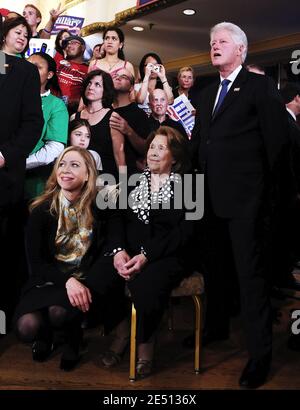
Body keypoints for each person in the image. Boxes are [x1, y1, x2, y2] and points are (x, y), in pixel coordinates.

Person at [191, 22, 290, 388]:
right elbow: (201, 143)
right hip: (209, 202)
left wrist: (270, 201)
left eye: (221, 42)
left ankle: (260, 355)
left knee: (251, 280)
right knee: (215, 272)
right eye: (211, 41)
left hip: (248, 203)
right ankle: (216, 329)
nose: (214, 46)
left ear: (241, 51)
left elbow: (277, 147)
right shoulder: (205, 92)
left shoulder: (260, 87)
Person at [14, 146, 125, 371]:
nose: (65, 170)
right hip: (48, 281)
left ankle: (73, 341)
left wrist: (119, 251)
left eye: (75, 165)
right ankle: (47, 336)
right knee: (27, 327)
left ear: (87, 175)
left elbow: (116, 236)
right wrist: (67, 281)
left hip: (85, 281)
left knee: (60, 312)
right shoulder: (41, 210)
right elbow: (37, 265)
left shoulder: (101, 205)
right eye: (62, 164)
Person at [101, 126, 195, 378]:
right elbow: (115, 219)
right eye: (152, 146)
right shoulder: (130, 179)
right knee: (99, 276)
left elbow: (183, 234)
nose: (153, 152)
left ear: (174, 157)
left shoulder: (189, 185)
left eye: (161, 148)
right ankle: (122, 331)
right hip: (129, 251)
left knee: (146, 283)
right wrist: (119, 250)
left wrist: (146, 255)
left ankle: (145, 343)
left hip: (168, 255)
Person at [0, 17, 44, 325]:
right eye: (18, 32)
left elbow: (32, 123)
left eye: (26, 35)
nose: (23, 38)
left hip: (4, 175)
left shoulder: (26, 71)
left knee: (3, 252)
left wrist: (5, 155)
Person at [25, 52, 68, 199]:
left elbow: (54, 148)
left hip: (32, 180)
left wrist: (18, 162)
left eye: (36, 67)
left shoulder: (56, 105)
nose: (30, 70)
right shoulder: (11, 94)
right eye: (27, 65)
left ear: (49, 75)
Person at [73, 69, 125, 177]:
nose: (91, 87)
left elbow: (119, 154)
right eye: (89, 83)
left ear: (105, 91)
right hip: (78, 178)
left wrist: (123, 185)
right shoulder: (75, 117)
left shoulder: (113, 117)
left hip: (105, 179)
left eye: (97, 85)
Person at [110, 67, 152, 173]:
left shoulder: (139, 114)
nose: (118, 78)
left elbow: (145, 149)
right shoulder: (104, 110)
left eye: (123, 77)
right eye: (115, 76)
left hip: (128, 176)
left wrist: (128, 131)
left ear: (131, 88)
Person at [56, 34, 88, 113]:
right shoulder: (58, 61)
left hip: (70, 112)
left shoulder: (88, 69)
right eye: (67, 44)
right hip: (48, 106)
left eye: (74, 43)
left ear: (83, 47)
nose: (69, 46)